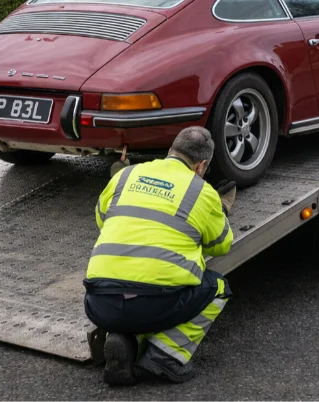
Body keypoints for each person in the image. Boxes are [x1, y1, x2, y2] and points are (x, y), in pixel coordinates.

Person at [84, 126, 235, 385]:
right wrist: (218, 210)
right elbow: (221, 245)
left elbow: (101, 219)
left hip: (98, 303)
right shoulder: (202, 190)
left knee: (143, 294)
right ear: (201, 166)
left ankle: (126, 339)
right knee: (218, 287)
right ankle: (164, 357)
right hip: (154, 303)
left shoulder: (126, 175)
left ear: (170, 152)